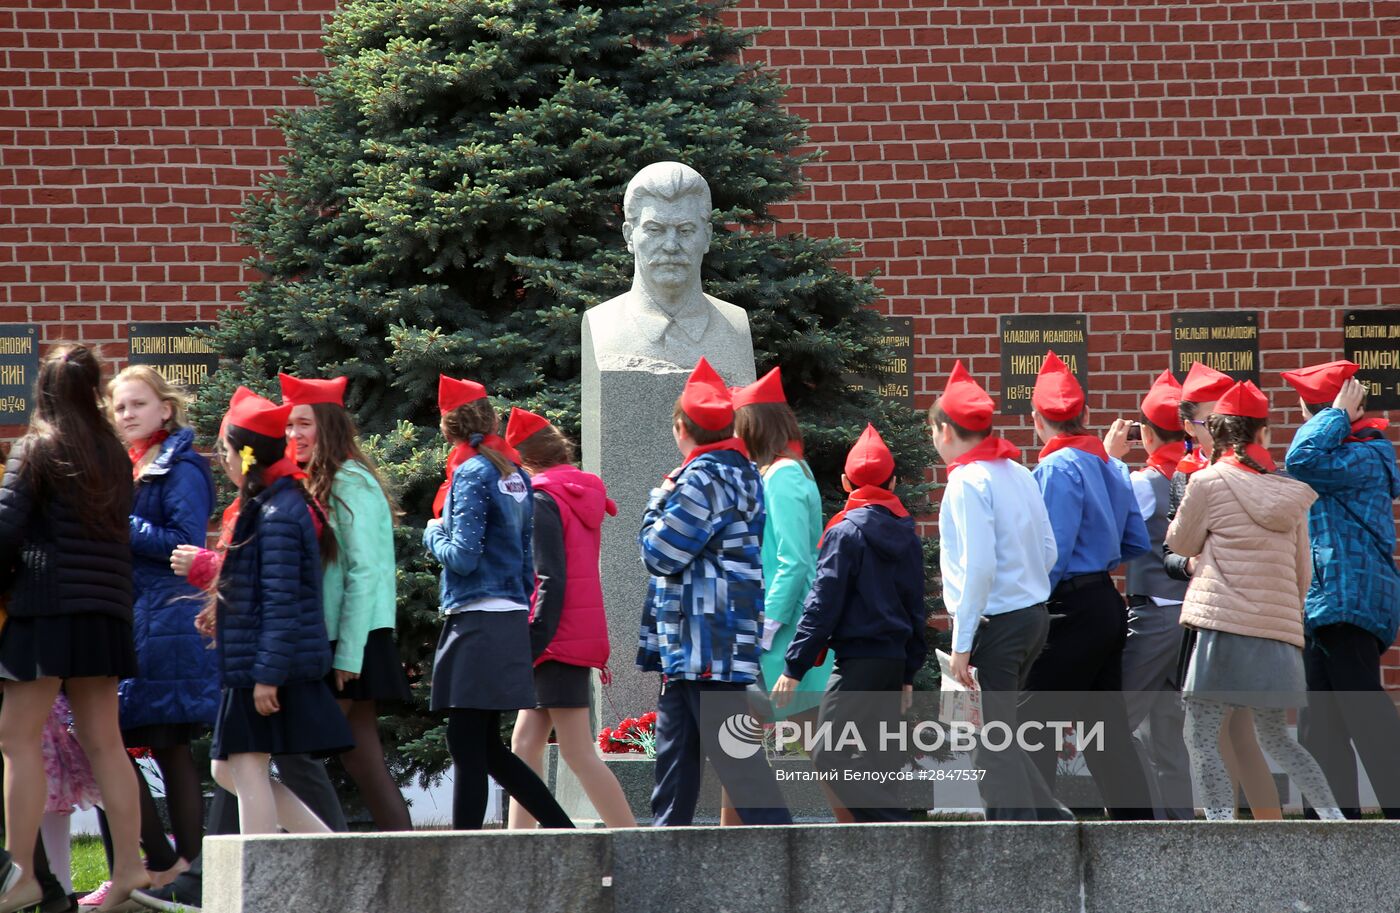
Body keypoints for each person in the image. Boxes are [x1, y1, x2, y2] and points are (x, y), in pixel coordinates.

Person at [0, 345, 149, 913]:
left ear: (45, 390)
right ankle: (131, 866)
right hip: (106, 613)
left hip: (45, 607)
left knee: (16, 739)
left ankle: (20, 873)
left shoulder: (36, 447)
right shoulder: (114, 453)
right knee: (106, 741)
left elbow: (6, 530)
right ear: (93, 392)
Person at [1165, 380, 1344, 820]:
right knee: (1278, 739)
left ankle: (1222, 830)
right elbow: (1303, 573)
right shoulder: (1293, 493)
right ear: (1262, 435)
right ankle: (1335, 820)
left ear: (1219, 432)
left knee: (1201, 734)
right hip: (1278, 632)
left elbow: (1180, 543)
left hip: (1223, 626)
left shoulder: (1206, 482)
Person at [639, 358, 791, 826]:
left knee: (738, 767)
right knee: (676, 761)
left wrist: (657, 499)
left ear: (681, 427)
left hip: (701, 641)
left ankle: (792, 867)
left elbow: (659, 553)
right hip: (708, 643)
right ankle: (667, 858)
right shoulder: (742, 471)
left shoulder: (701, 477)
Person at [425, 376, 573, 830]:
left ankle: (469, 848)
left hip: (476, 618)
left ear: (448, 427)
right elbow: (525, 556)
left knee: (469, 742)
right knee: (481, 744)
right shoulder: (515, 473)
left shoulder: (471, 473)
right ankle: (561, 832)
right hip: (506, 615)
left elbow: (464, 558)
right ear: (489, 418)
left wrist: (432, 534)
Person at [204, 389, 353, 835]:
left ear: (246, 457)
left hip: (261, 669)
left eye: (226, 451)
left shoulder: (277, 513)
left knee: (246, 772)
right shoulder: (270, 506)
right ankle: (328, 851)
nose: (223, 461)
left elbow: (282, 601)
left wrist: (267, 675)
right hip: (252, 663)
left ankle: (260, 884)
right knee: (228, 771)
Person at [929, 362, 1067, 821]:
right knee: (1000, 733)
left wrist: (961, 644)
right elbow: (1048, 549)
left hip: (998, 624)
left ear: (945, 431)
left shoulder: (967, 481)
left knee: (990, 744)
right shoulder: (1018, 471)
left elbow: (978, 568)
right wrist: (1025, 586)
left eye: (932, 431)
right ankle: (1050, 818)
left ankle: (1017, 846)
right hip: (1032, 616)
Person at [1021, 350, 1154, 819]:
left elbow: (1050, 552)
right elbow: (1135, 540)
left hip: (1068, 608)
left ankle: (1034, 828)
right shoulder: (1109, 466)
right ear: (1085, 416)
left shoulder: (1056, 469)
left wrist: (1031, 598)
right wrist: (1098, 561)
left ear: (1037, 418)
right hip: (1103, 600)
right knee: (1106, 731)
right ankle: (1135, 828)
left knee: (1030, 722)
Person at [280, 373, 413, 831]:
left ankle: (329, 853)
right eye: (288, 425)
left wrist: (348, 653)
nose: (292, 434)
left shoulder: (348, 479)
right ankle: (410, 869)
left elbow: (365, 571)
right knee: (363, 761)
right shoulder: (321, 477)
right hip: (346, 637)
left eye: (303, 424)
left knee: (297, 748)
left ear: (329, 426)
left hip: (352, 640)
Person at [775, 423, 926, 822]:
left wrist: (795, 665)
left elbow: (823, 602)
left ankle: (902, 826)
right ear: (892, 481)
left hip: (857, 662)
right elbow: (916, 607)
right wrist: (909, 671)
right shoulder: (908, 534)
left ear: (845, 482)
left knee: (827, 754)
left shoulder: (844, 532)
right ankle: (888, 852)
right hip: (892, 663)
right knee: (879, 760)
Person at [107, 365, 219, 882]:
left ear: (165, 409)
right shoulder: (128, 465)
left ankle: (185, 867)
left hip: (170, 618)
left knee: (168, 743)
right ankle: (164, 862)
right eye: (120, 406)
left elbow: (186, 540)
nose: (126, 414)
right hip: (138, 617)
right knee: (121, 738)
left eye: (137, 404)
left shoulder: (183, 466)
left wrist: (118, 521)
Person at [502, 407, 635, 830]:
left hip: (554, 637)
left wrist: (532, 641)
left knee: (577, 751)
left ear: (520, 458)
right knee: (524, 744)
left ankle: (631, 841)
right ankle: (520, 847)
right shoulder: (575, 493)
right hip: (568, 634)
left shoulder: (542, 498)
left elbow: (548, 579)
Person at [1283, 361, 1400, 818]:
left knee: (1361, 709)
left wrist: (1334, 415)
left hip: (1347, 597)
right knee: (1320, 722)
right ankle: (1331, 821)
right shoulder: (1350, 453)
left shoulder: (1363, 454)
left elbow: (1301, 459)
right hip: (1328, 600)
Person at [730, 367, 846, 825]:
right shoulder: (780, 472)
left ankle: (867, 841)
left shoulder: (783, 476)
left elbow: (795, 560)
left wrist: (770, 622)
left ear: (753, 424)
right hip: (779, 628)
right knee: (740, 743)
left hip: (786, 633)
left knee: (809, 743)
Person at [1169, 362, 1280, 819]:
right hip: (1209, 611)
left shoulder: (1261, 470)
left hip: (1249, 613)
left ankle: (1248, 833)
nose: (1217, 430)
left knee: (1230, 731)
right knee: (1228, 732)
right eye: (1206, 422)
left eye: (1223, 420)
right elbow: (1171, 551)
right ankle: (1244, 831)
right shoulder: (1185, 474)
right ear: (1187, 424)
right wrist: (1190, 561)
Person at [1105, 369, 1194, 819]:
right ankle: (1175, 822)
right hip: (1190, 613)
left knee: (1114, 722)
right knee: (1168, 729)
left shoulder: (1144, 482)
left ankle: (1143, 815)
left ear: (1146, 431)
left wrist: (1108, 458)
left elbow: (1112, 532)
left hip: (1154, 614)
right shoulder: (1197, 472)